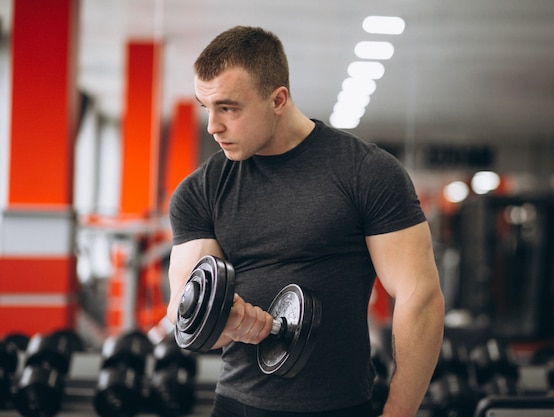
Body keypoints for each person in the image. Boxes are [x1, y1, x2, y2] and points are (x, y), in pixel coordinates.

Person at [167, 26, 445, 417]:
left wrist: (398, 413)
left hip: (340, 406)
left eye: (228, 108)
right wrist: (226, 324)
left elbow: (421, 298)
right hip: (236, 407)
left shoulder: (365, 172)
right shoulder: (201, 191)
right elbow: (185, 311)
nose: (213, 126)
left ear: (278, 99)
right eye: (205, 108)